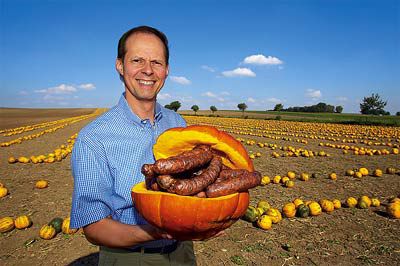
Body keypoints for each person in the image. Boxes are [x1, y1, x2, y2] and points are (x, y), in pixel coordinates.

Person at [70, 25, 196, 265]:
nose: (147, 70)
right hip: (129, 257)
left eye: (156, 62)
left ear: (167, 70)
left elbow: (190, 186)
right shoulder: (93, 138)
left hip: (183, 252)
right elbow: (93, 226)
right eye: (137, 60)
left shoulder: (178, 123)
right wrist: (152, 233)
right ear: (120, 65)